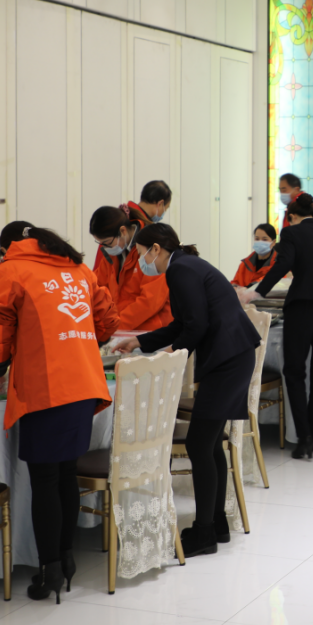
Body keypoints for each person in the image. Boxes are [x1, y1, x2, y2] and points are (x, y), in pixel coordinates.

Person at [0, 222, 118, 603]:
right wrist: (78, 343)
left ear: (9, 247)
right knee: (65, 474)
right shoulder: (78, 268)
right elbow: (107, 319)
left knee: (45, 480)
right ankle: (66, 559)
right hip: (83, 383)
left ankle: (50, 570)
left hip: (45, 386)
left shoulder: (12, 270)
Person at [111, 224, 260, 557]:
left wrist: (169, 356)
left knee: (199, 444)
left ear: (156, 249)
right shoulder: (184, 266)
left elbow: (196, 326)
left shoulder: (180, 270)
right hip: (233, 356)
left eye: (141, 254)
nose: (141, 262)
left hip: (228, 360)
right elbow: (184, 323)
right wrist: (139, 342)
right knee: (210, 444)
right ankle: (216, 524)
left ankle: (204, 532)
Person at [238, 192, 313, 458]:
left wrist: (257, 292)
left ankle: (304, 437)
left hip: (302, 309)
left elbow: (283, 264)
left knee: (294, 372)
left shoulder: (292, 233)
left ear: (292, 216)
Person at [89, 204, 172, 332]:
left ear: (123, 231)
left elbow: (150, 301)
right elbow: (97, 287)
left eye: (107, 242)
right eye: (101, 244)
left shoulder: (151, 248)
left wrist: (116, 326)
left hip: (152, 330)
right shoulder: (112, 255)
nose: (105, 247)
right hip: (124, 330)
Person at [231, 224, 279, 288]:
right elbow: (235, 282)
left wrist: (249, 288)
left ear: (273, 242)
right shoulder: (245, 264)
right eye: (257, 239)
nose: (260, 242)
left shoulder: (280, 264)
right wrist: (234, 287)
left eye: (264, 239)